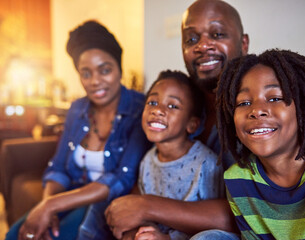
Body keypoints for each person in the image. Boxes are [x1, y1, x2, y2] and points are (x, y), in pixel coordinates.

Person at [105, 0, 249, 239]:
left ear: (243, 43)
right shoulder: (177, 106)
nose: (203, 45)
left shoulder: (257, 112)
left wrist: (147, 206)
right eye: (191, 39)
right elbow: (144, 177)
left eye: (218, 34)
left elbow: (249, 211)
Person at [6, 20, 151, 240]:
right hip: (72, 195)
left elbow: (121, 178)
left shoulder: (141, 109)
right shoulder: (77, 108)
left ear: (119, 69)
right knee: (18, 233)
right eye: (86, 73)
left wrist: (50, 206)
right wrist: (48, 205)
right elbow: (59, 167)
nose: (95, 81)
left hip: (107, 202)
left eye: (105, 70)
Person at [216, 49, 305, 239]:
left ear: (303, 107)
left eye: (274, 98)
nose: (257, 111)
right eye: (243, 103)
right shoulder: (238, 179)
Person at [125, 70, 224, 240]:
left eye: (172, 106)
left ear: (192, 124)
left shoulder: (206, 164)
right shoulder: (148, 160)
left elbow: (212, 229)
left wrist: (166, 238)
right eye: (152, 102)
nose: (158, 110)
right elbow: (144, 214)